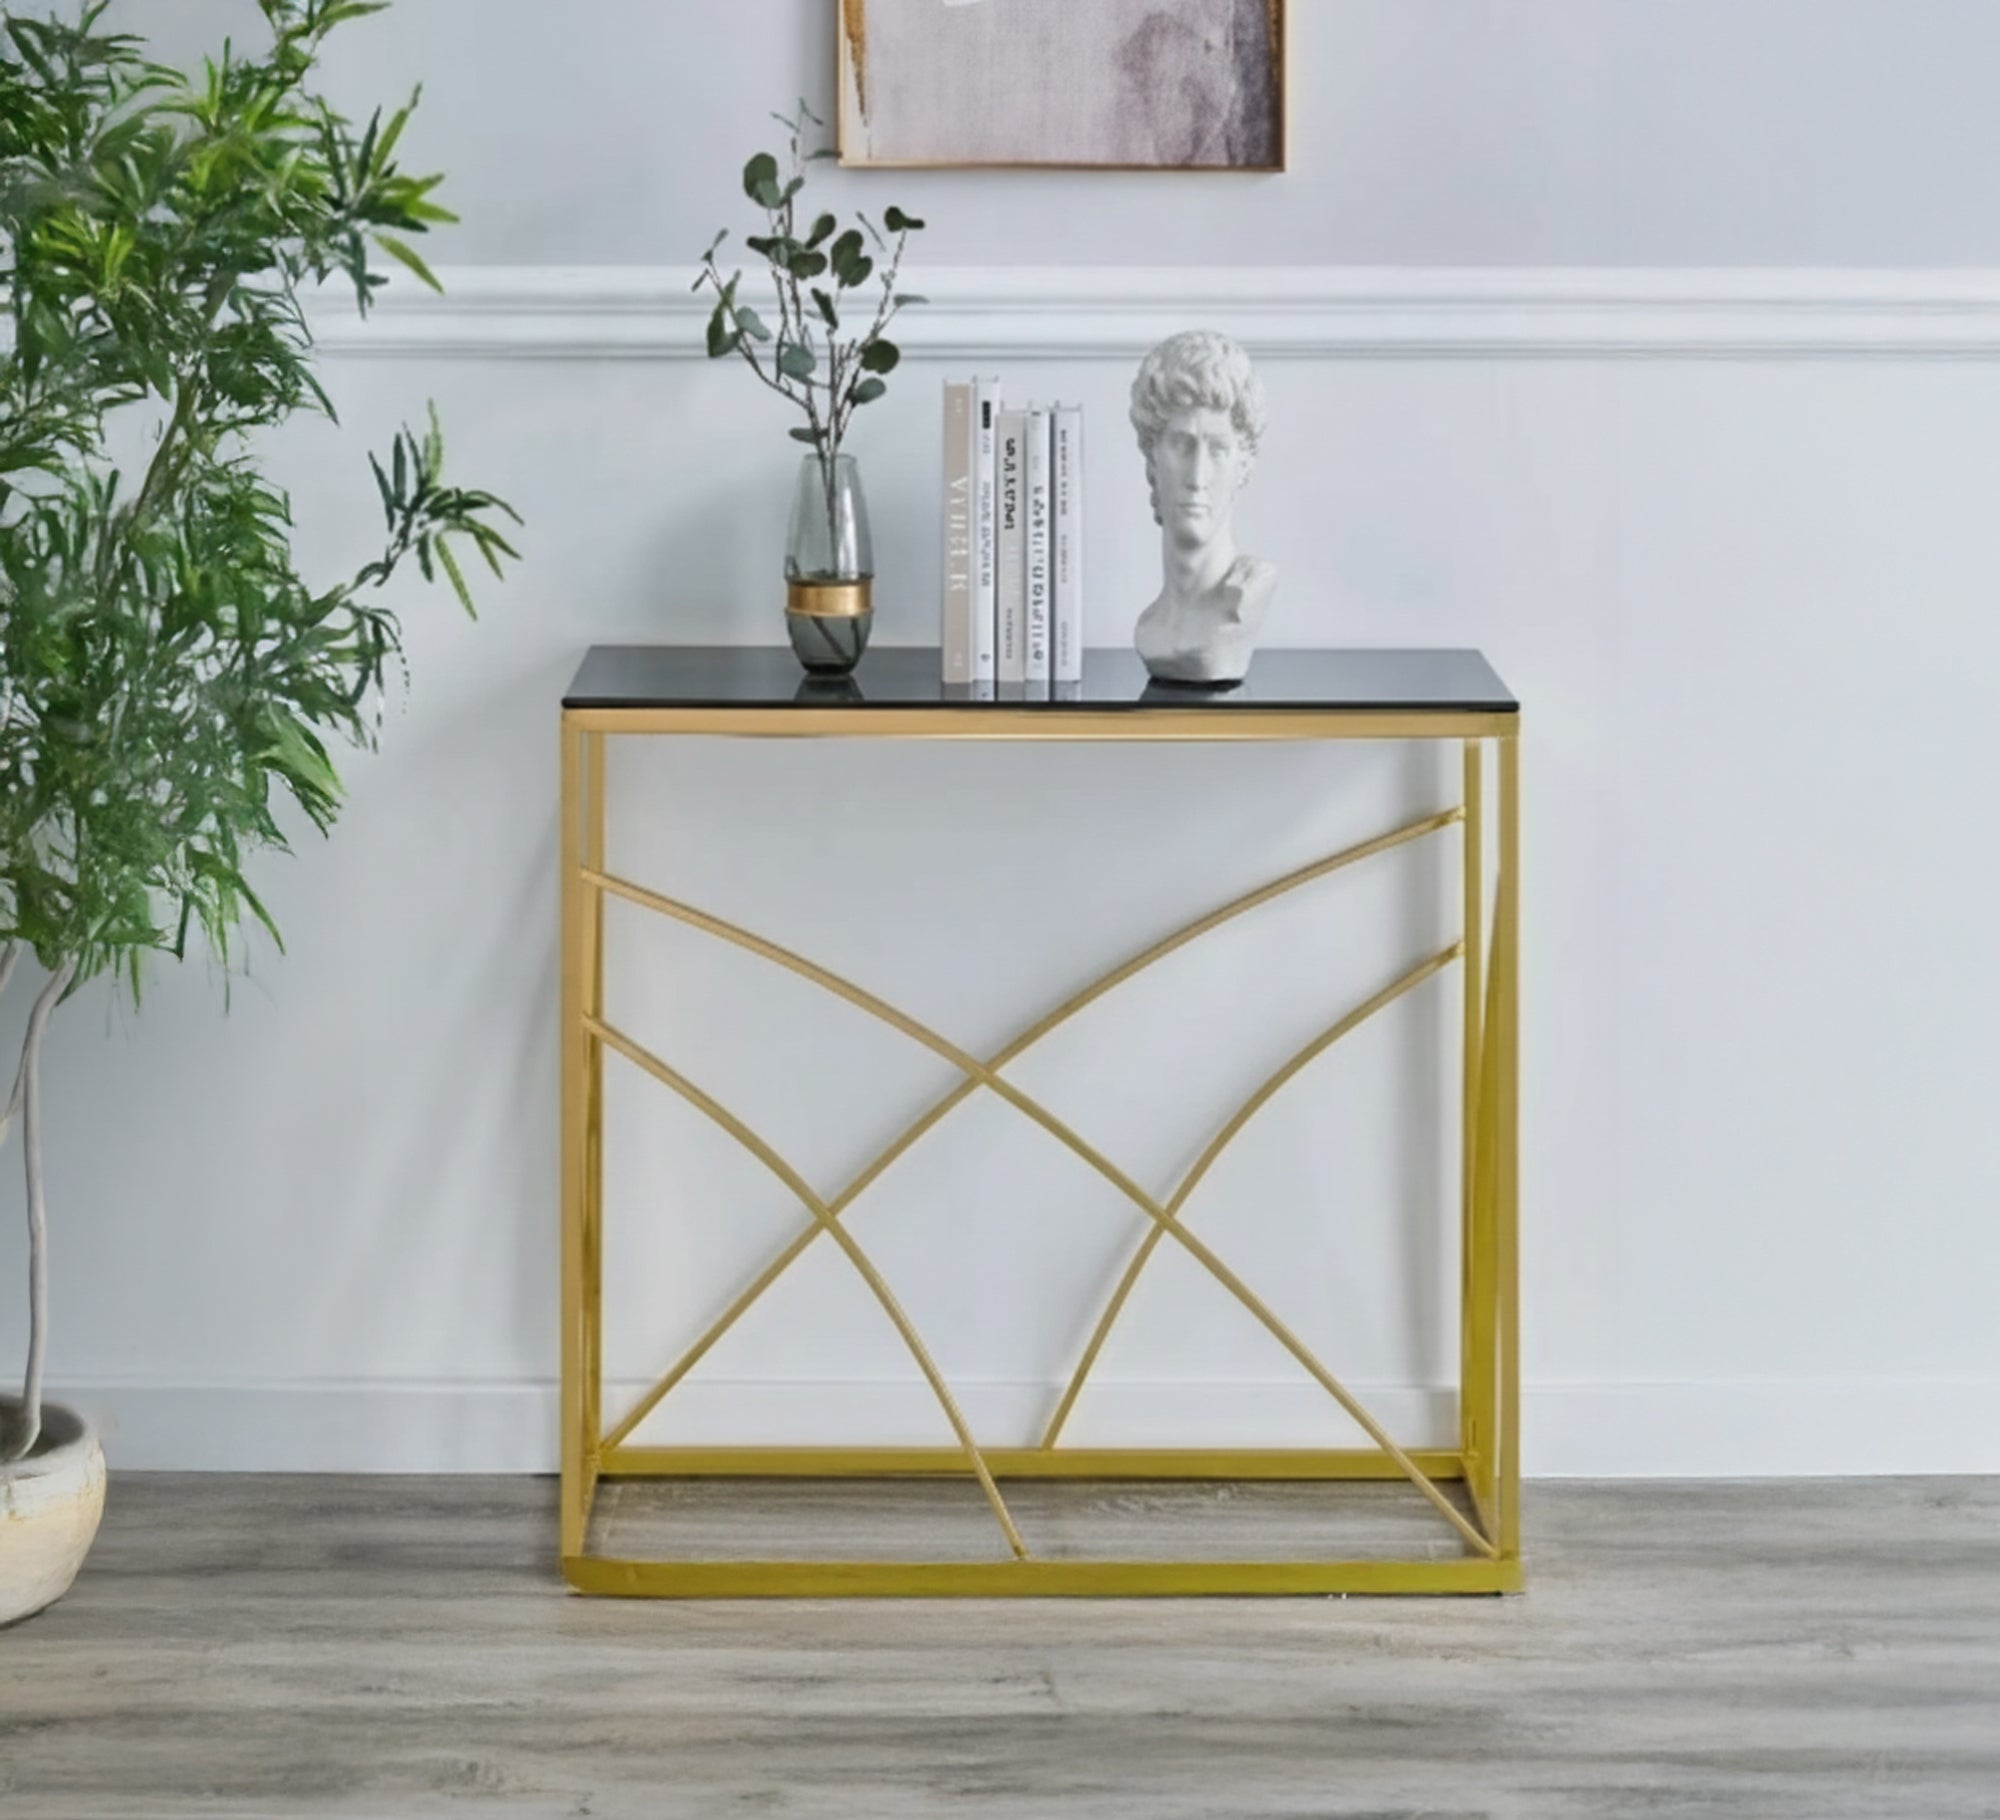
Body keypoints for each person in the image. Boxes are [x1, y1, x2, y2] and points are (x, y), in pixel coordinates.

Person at [1128, 329, 1276, 684]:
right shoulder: (1149, 628)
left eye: (1218, 449)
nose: (1198, 476)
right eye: (1182, 444)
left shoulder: (1248, 596)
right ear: (1152, 460)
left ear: (1245, 465)